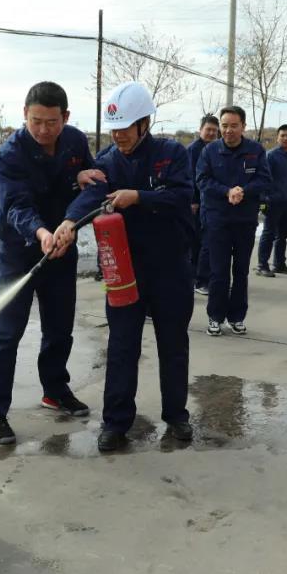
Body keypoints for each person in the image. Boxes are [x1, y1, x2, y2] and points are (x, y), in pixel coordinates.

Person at [62, 82, 195, 452]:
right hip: (125, 269)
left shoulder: (172, 154)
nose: (118, 136)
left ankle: (177, 415)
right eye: (113, 130)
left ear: (144, 123)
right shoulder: (107, 162)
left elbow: (182, 196)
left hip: (170, 266)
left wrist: (138, 197)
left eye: (125, 128)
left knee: (173, 343)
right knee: (121, 346)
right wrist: (69, 222)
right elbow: (91, 195)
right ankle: (116, 422)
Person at [0, 82, 100, 445]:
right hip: (20, 249)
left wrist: (71, 215)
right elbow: (16, 206)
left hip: (63, 243)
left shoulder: (75, 142)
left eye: (51, 122)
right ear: (24, 115)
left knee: (59, 325)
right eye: (36, 121)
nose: (43, 130)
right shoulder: (11, 154)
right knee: (8, 332)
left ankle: (55, 390)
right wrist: (42, 232)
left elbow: (93, 184)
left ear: (66, 117)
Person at [196, 105, 272, 336]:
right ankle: (215, 317)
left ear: (243, 126)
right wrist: (227, 191)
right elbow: (202, 180)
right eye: (224, 125)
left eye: (234, 126)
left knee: (241, 271)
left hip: (244, 221)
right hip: (217, 221)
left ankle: (236, 317)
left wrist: (243, 191)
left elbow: (264, 179)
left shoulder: (255, 151)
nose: (228, 130)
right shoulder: (210, 151)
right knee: (218, 272)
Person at [257, 124, 287, 277]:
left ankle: (279, 264)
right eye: (282, 135)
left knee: (283, 235)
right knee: (269, 234)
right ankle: (262, 265)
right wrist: (263, 201)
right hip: (273, 202)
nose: (285, 138)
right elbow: (262, 179)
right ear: (277, 138)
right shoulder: (270, 156)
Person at [188, 114, 219, 295]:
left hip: (211, 202)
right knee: (197, 242)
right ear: (200, 130)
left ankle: (205, 277)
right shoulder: (193, 150)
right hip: (196, 203)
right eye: (208, 130)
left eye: (215, 130)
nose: (211, 133)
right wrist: (193, 200)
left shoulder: (217, 148)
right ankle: (197, 280)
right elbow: (189, 176)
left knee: (208, 241)